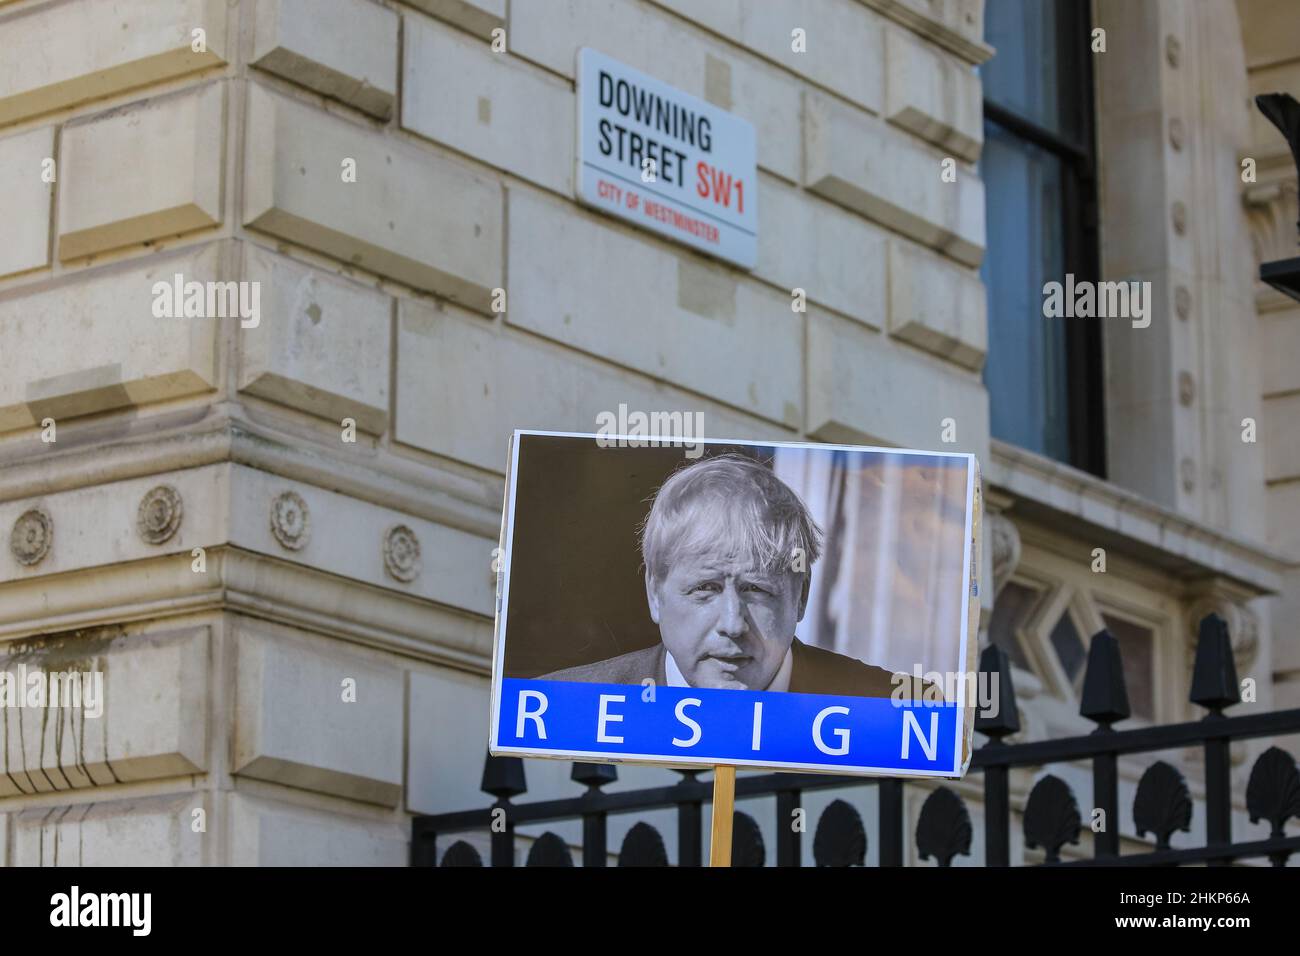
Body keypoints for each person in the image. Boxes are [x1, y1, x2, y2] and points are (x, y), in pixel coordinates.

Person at [540, 453, 936, 700]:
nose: (732, 624)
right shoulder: (561, 703)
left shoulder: (892, 709)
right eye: (705, 589)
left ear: (800, 598)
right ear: (654, 595)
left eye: (757, 590)